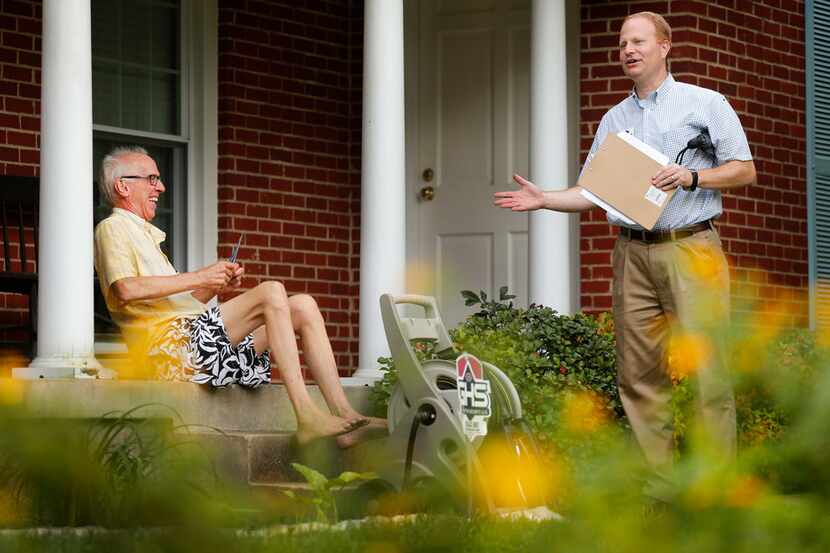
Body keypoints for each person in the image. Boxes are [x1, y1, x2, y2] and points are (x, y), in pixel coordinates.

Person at [494, 12, 756, 500]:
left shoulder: (704, 103)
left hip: (689, 248)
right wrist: (545, 198)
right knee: (638, 375)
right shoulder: (615, 119)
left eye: (638, 41)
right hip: (631, 254)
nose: (628, 50)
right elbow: (595, 191)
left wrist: (692, 178)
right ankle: (659, 494)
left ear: (665, 45)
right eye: (622, 44)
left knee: (706, 373)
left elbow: (743, 170)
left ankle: (716, 493)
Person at [94, 146, 384, 448]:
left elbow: (176, 304)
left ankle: (346, 417)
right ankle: (307, 416)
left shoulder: (147, 236)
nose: (161, 187)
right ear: (123, 186)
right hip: (167, 352)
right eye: (152, 179)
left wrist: (214, 285)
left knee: (303, 305)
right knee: (271, 291)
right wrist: (200, 276)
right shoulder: (112, 228)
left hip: (192, 341)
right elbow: (125, 289)